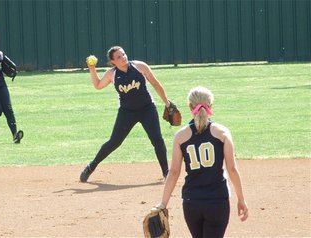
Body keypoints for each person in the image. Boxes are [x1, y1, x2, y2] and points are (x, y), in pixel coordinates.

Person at [153, 86, 248, 237]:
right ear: (210, 105)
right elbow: (232, 169)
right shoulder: (222, 132)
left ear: (190, 106)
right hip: (217, 201)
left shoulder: (180, 136)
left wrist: (163, 203)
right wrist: (241, 199)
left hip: (192, 202)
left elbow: (174, 172)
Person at [80, 46, 172, 182]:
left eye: (123, 54)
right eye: (118, 57)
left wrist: (167, 103)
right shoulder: (112, 74)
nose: (123, 58)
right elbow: (98, 85)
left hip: (147, 109)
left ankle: (166, 172)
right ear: (113, 62)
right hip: (127, 112)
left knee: (157, 139)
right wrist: (92, 69)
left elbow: (156, 84)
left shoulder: (140, 66)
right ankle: (91, 166)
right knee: (114, 142)